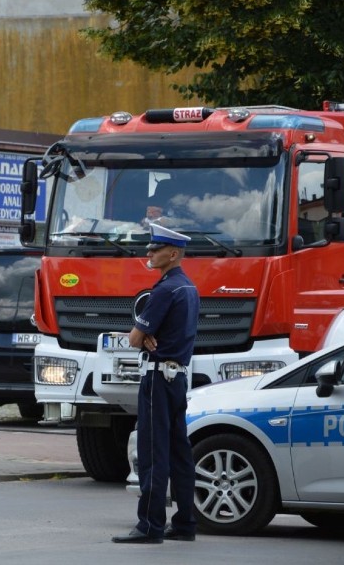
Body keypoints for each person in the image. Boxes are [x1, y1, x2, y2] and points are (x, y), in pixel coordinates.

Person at [112, 223, 199, 544]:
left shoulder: (164, 290)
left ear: (173, 254)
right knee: (180, 451)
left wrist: (141, 334)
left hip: (157, 378)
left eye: (155, 249)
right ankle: (186, 523)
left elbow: (135, 338)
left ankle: (150, 526)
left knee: (152, 451)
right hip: (178, 378)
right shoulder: (188, 287)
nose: (148, 253)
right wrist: (145, 335)